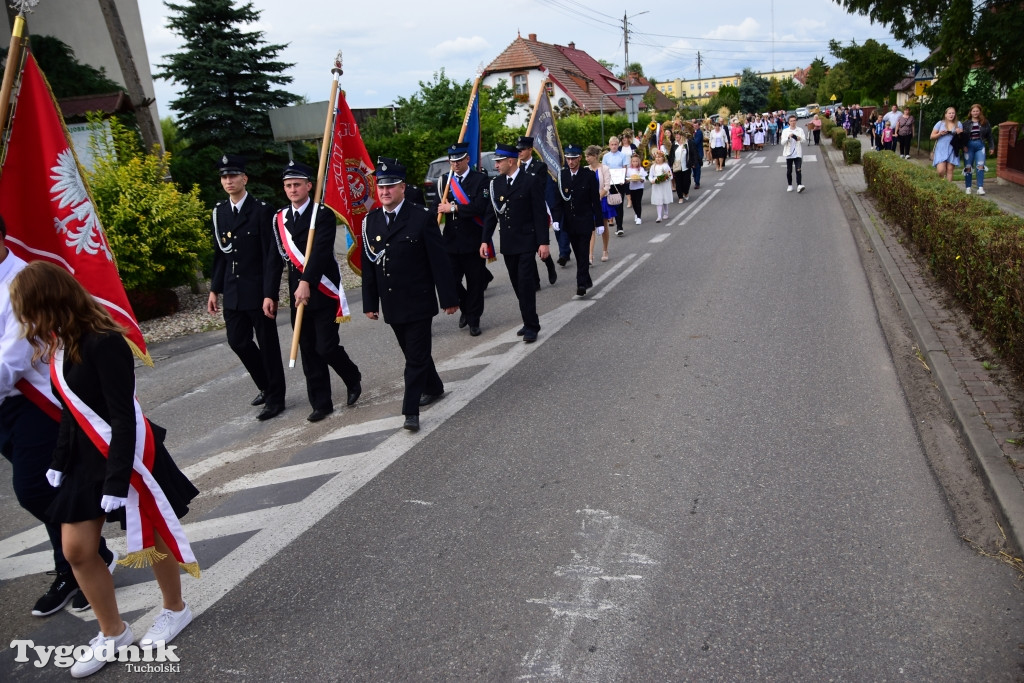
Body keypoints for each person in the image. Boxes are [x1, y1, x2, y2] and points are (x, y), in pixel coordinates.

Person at [10, 261, 199, 678]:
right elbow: (70, 413)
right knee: (77, 549)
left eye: (27, 309)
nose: (24, 320)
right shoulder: (57, 344)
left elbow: (122, 416)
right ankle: (113, 632)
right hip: (81, 456)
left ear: (48, 301)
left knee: (148, 533)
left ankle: (174, 609)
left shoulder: (104, 341)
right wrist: (58, 463)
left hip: (123, 452)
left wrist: (117, 480)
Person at [0, 216, 118, 618]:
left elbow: (12, 359)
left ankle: (90, 555)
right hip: (14, 409)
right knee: (48, 489)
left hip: (33, 403)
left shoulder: (23, 281)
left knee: (35, 489)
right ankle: (77, 565)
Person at [362, 158, 458, 432]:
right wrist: (370, 303)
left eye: (390, 186)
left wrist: (449, 298)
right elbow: (370, 267)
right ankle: (435, 386)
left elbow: (439, 261)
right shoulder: (371, 221)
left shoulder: (421, 216)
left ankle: (410, 410)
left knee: (414, 358)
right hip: (392, 303)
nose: (384, 192)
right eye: (380, 187)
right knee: (413, 353)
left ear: (402, 187)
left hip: (418, 300)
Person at [274, 161, 362, 422]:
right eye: (288, 185)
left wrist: (306, 281)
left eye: (297, 184)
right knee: (309, 350)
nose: (292, 189)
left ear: (308, 186)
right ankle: (321, 403)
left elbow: (322, 251)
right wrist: (270, 293)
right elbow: (275, 259)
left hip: (323, 290)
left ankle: (352, 375)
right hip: (297, 294)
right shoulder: (280, 218)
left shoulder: (321, 214)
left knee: (326, 347)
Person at [207, 154, 286, 421]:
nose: (228, 181)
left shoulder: (263, 211)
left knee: (268, 345)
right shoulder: (219, 212)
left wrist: (269, 294)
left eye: (233, 176)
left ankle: (276, 398)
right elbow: (220, 254)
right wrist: (214, 289)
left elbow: (271, 257)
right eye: (224, 177)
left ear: (244, 178)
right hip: (232, 291)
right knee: (237, 341)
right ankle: (265, 384)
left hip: (258, 291)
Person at [482, 143, 550, 343]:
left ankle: (531, 326)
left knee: (525, 283)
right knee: (517, 285)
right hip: (509, 243)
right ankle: (528, 319)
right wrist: (485, 240)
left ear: (510, 161)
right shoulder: (497, 184)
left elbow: (539, 214)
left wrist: (543, 243)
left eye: (499, 161)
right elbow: (491, 215)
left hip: (527, 241)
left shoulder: (530, 181)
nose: (496, 165)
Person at [437, 142, 491, 336]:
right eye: (452, 161)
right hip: (451, 242)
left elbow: (479, 207)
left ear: (467, 159)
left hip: (473, 240)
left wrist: (453, 208)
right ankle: (467, 308)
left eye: (459, 160)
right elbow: (438, 206)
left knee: (475, 283)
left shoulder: (480, 180)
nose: (455, 164)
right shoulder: (444, 181)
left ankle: (474, 320)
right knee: (451, 281)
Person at [551, 144, 602, 298]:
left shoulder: (588, 175)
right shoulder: (562, 175)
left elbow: (595, 201)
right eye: (568, 159)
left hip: (585, 220)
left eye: (573, 158)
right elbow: (558, 200)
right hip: (570, 222)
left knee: (583, 251)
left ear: (580, 158)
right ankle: (586, 278)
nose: (570, 162)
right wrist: (556, 219)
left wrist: (599, 222)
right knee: (578, 252)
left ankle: (580, 283)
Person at [515, 136, 558, 287]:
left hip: (536, 209)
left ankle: (549, 265)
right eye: (517, 150)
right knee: (528, 248)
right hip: (522, 211)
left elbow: (539, 186)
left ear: (529, 150)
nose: (519, 152)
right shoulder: (516, 167)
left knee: (539, 244)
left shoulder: (539, 167)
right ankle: (535, 280)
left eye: (521, 149)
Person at [962, 103, 994, 196]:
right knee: (968, 166)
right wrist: (963, 146)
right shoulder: (966, 123)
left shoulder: (985, 122)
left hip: (980, 145)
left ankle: (980, 188)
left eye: (977, 111)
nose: (975, 112)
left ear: (980, 112)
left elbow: (990, 136)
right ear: (971, 112)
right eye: (973, 111)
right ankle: (968, 187)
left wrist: (992, 147)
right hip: (969, 146)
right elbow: (962, 136)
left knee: (980, 165)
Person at [602, 136, 629, 236]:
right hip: (609, 183)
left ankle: (620, 226)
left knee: (619, 204)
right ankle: (611, 220)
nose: (614, 146)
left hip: (619, 183)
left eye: (615, 144)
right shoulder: (606, 157)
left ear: (618, 145)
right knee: (610, 203)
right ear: (609, 145)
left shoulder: (622, 155)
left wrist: (623, 178)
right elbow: (604, 169)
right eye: (612, 145)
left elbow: (624, 167)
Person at [930, 106, 963, 182]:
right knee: (941, 171)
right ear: (946, 115)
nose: (951, 115)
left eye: (953, 113)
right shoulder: (940, 123)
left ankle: (949, 189)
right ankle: (941, 185)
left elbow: (962, 139)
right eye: (949, 113)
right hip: (941, 149)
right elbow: (931, 136)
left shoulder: (958, 124)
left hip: (953, 148)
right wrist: (940, 134)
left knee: (950, 170)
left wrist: (960, 133)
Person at [780, 114, 806, 193]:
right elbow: (782, 143)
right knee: (789, 171)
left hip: (797, 153)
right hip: (789, 154)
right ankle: (790, 185)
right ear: (788, 122)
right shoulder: (785, 131)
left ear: (796, 121)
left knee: (798, 170)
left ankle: (799, 185)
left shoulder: (800, 130)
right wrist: (788, 137)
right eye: (791, 121)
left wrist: (798, 138)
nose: (793, 122)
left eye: (794, 121)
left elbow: (804, 140)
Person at [648, 150, 673, 222]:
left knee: (664, 198)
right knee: (658, 199)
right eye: (656, 157)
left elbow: (670, 176)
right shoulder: (653, 166)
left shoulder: (665, 166)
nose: (657, 159)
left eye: (659, 157)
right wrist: (652, 180)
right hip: (656, 185)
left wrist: (664, 178)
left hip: (664, 184)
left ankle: (666, 212)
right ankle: (659, 216)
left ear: (663, 158)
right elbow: (650, 176)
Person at [668, 129, 692, 203]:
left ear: (682, 136)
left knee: (686, 182)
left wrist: (693, 163)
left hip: (686, 166)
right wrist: (670, 164)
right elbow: (671, 155)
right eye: (676, 135)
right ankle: (680, 197)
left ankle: (686, 192)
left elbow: (692, 153)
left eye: (678, 135)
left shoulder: (687, 144)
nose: (677, 136)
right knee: (678, 182)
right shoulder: (674, 145)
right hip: (677, 166)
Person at [626, 152, 647, 225]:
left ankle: (639, 217)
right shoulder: (629, 170)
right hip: (632, 187)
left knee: (638, 202)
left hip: (639, 187)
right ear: (631, 162)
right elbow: (627, 177)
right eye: (633, 161)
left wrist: (641, 179)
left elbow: (644, 177)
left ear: (639, 162)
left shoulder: (640, 169)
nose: (635, 163)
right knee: (634, 202)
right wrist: (628, 180)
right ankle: (636, 213)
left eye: (636, 161)